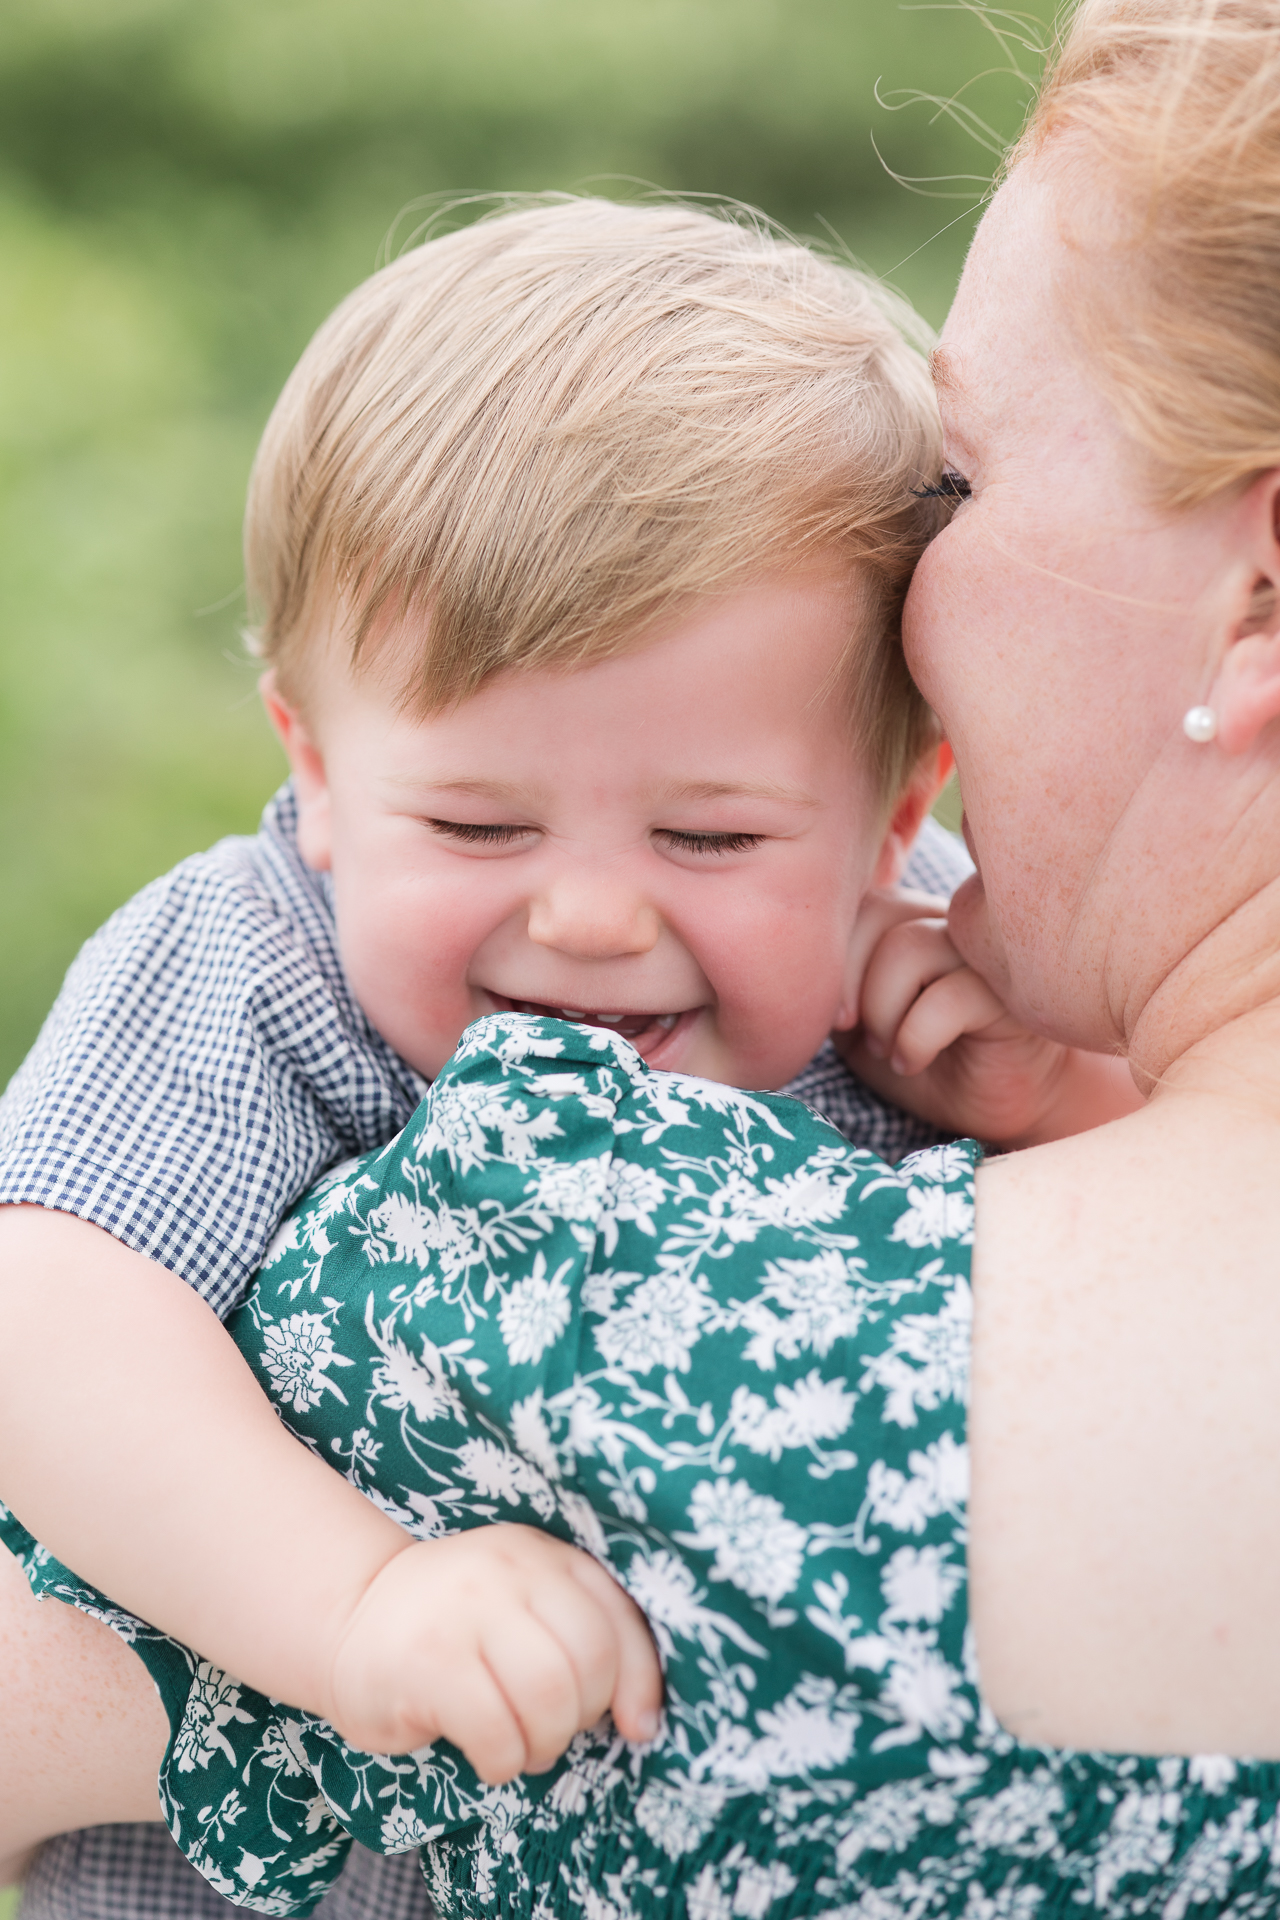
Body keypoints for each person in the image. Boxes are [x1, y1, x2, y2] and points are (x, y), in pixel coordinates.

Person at [18, 0, 1280, 1900]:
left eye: (708, 834)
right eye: (474, 824)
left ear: (884, 806)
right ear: (316, 766)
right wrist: (346, 1595)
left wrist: (1058, 1100)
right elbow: (46, 1309)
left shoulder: (914, 951)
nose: (592, 912)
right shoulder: (263, 951)